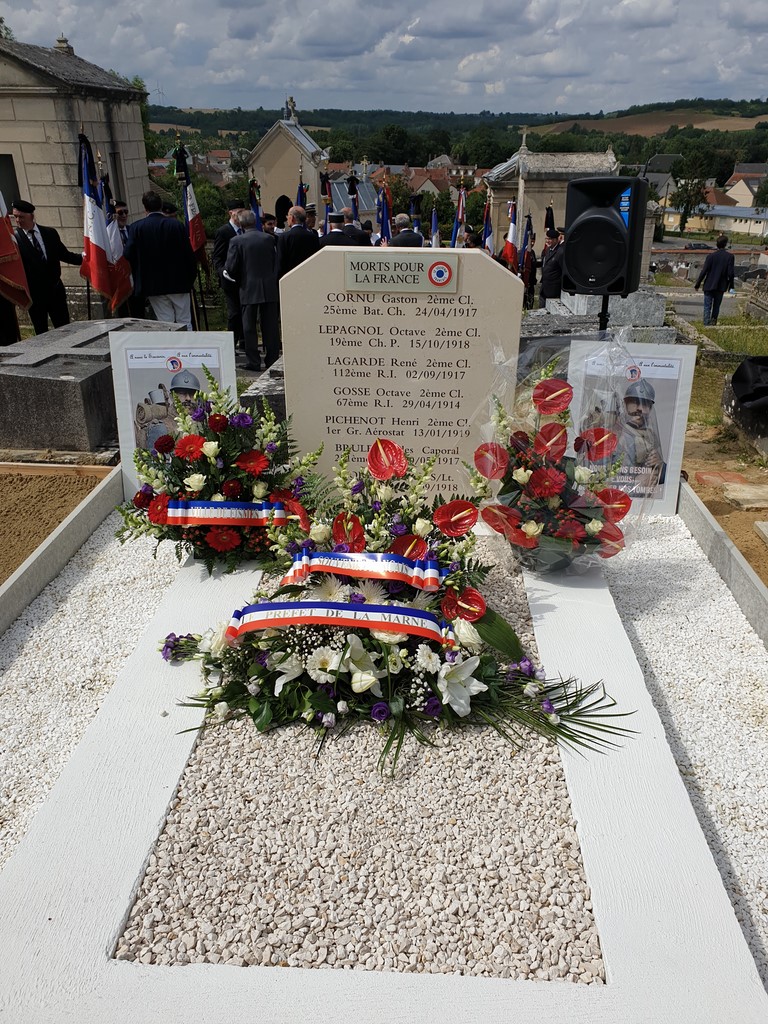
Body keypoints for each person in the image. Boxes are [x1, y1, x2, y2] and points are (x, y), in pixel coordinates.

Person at [123, 191, 197, 330]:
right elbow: (189, 254)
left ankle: (171, 345)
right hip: (179, 282)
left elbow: (127, 254)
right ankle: (187, 344)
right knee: (185, 320)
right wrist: (190, 277)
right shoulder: (176, 225)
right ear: (161, 205)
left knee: (166, 322)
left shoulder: (136, 228)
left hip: (153, 284)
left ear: (145, 208)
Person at [12, 199, 83, 335]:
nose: (18, 220)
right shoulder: (15, 240)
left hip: (56, 292)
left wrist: (85, 258)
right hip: (35, 297)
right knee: (42, 333)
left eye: (21, 217)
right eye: (15, 216)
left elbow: (64, 255)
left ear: (31, 216)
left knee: (65, 330)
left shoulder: (49, 233)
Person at [224, 209, 280, 370]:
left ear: (241, 224)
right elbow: (276, 261)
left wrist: (236, 278)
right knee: (270, 326)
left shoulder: (236, 241)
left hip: (248, 286)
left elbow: (231, 266)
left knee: (249, 327)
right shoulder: (269, 239)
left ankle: (254, 361)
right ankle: (272, 359)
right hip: (269, 286)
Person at [617, 378, 665, 493]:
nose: (639, 408)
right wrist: (636, 485)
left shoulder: (650, 436)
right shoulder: (614, 434)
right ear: (625, 404)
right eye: (634, 402)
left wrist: (660, 465)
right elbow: (600, 477)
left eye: (645, 404)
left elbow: (662, 479)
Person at [213, 198, 246, 345]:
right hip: (230, 279)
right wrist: (222, 272)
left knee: (245, 312)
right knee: (234, 313)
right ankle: (230, 344)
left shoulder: (246, 229)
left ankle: (244, 342)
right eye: (238, 213)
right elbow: (217, 256)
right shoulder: (224, 231)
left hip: (245, 278)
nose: (240, 216)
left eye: (243, 212)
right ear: (231, 213)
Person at [112, 200, 146, 319]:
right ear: (114, 215)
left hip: (136, 281)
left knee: (140, 315)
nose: (124, 215)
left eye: (126, 212)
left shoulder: (133, 230)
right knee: (124, 316)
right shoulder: (110, 236)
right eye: (120, 213)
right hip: (120, 283)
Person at [694, 235, 735, 326]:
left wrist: (698, 284)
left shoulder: (711, 256)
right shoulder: (730, 257)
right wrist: (731, 286)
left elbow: (704, 271)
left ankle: (706, 324)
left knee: (707, 306)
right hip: (721, 286)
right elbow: (731, 273)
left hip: (709, 284)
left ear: (717, 244)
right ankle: (713, 324)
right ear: (725, 244)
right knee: (716, 306)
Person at [277, 205, 320, 278]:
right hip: (308, 276)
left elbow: (280, 262)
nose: (287, 218)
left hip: (289, 277)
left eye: (288, 216)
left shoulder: (284, 237)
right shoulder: (313, 237)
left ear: (292, 218)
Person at [539, 227, 565, 307]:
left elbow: (563, 271)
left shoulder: (560, 252)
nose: (547, 241)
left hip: (554, 290)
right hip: (544, 288)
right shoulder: (548, 250)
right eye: (546, 239)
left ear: (556, 240)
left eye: (550, 239)